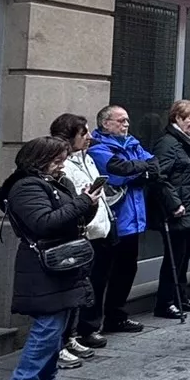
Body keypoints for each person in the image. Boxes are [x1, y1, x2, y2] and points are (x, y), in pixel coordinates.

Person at [0, 137, 91, 380]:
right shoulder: (26, 187)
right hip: (42, 265)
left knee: (56, 328)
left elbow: (70, 216)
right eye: (57, 160)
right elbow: (44, 223)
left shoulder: (52, 183)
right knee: (47, 328)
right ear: (39, 160)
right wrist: (82, 202)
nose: (61, 165)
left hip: (60, 262)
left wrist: (88, 202)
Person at [86, 106, 154, 339]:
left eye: (127, 120)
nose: (126, 125)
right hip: (111, 221)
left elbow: (154, 167)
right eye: (121, 121)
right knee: (101, 274)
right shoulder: (97, 147)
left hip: (134, 218)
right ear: (106, 123)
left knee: (126, 270)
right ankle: (91, 325)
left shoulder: (132, 143)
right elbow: (117, 174)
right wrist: (140, 172)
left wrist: (139, 172)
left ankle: (116, 315)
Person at [51, 114, 110, 355]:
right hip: (76, 231)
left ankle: (73, 334)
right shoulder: (63, 163)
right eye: (83, 133)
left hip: (95, 228)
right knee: (70, 291)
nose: (89, 137)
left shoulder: (86, 158)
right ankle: (63, 340)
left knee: (84, 287)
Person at [149, 100, 190, 317]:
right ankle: (165, 302)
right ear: (177, 119)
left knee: (184, 255)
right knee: (174, 257)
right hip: (177, 209)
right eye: (189, 119)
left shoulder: (189, 141)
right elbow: (158, 176)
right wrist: (174, 203)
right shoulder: (168, 143)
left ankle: (180, 297)